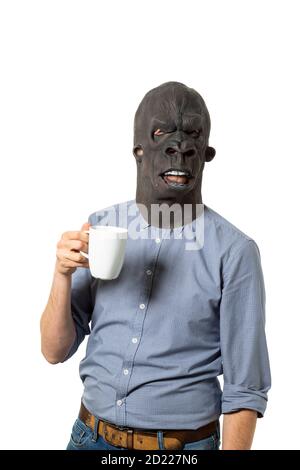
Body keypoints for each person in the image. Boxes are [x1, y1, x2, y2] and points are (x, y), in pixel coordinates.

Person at [40, 82, 271, 451]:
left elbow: (246, 387)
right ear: (138, 151)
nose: (179, 147)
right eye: (162, 132)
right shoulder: (100, 227)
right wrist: (61, 275)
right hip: (89, 437)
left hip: (181, 448)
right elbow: (54, 351)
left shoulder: (235, 251)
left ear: (206, 153)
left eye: (193, 134)